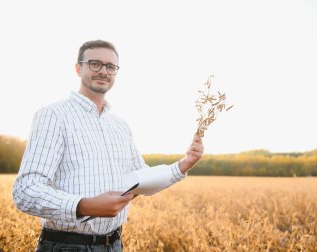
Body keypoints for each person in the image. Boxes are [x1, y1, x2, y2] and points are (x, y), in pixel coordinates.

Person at [12, 40, 204, 252]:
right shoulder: (54, 115)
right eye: (95, 63)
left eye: (110, 66)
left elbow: (142, 178)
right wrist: (83, 205)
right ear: (78, 68)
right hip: (67, 246)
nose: (103, 71)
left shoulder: (120, 126)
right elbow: (26, 190)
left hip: (114, 244)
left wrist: (185, 163)